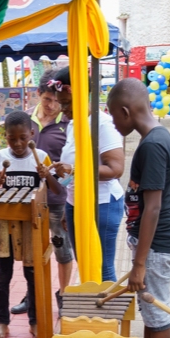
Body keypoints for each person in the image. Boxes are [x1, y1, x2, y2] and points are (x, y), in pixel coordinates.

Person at [106, 79, 170, 338]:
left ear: (125, 111)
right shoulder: (157, 139)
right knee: (152, 317)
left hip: (156, 245)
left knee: (158, 314)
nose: (114, 124)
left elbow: (152, 207)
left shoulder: (152, 146)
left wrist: (138, 264)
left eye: (113, 117)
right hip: (153, 245)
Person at [49, 67, 126, 282]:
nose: (62, 109)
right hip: (76, 204)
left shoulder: (103, 125)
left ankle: (108, 315)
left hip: (102, 204)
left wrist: (74, 169)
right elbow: (74, 173)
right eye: (60, 103)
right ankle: (91, 313)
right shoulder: (74, 124)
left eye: (66, 103)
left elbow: (115, 169)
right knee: (83, 264)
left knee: (101, 266)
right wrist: (68, 204)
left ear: (83, 95)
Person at [0, 111, 61, 338]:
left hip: (32, 226)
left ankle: (35, 321)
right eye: (11, 139)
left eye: (22, 138)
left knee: (32, 276)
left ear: (32, 134)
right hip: (6, 227)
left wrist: (47, 176)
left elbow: (57, 190)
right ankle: (2, 322)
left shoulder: (41, 156)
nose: (18, 144)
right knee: (2, 276)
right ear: (5, 138)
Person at [11, 79, 72, 316]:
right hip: (29, 202)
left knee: (61, 250)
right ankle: (32, 294)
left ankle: (64, 295)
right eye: (47, 99)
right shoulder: (25, 120)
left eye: (57, 101)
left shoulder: (68, 123)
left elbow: (70, 167)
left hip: (57, 203)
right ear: (38, 94)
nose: (52, 106)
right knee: (30, 251)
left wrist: (62, 186)